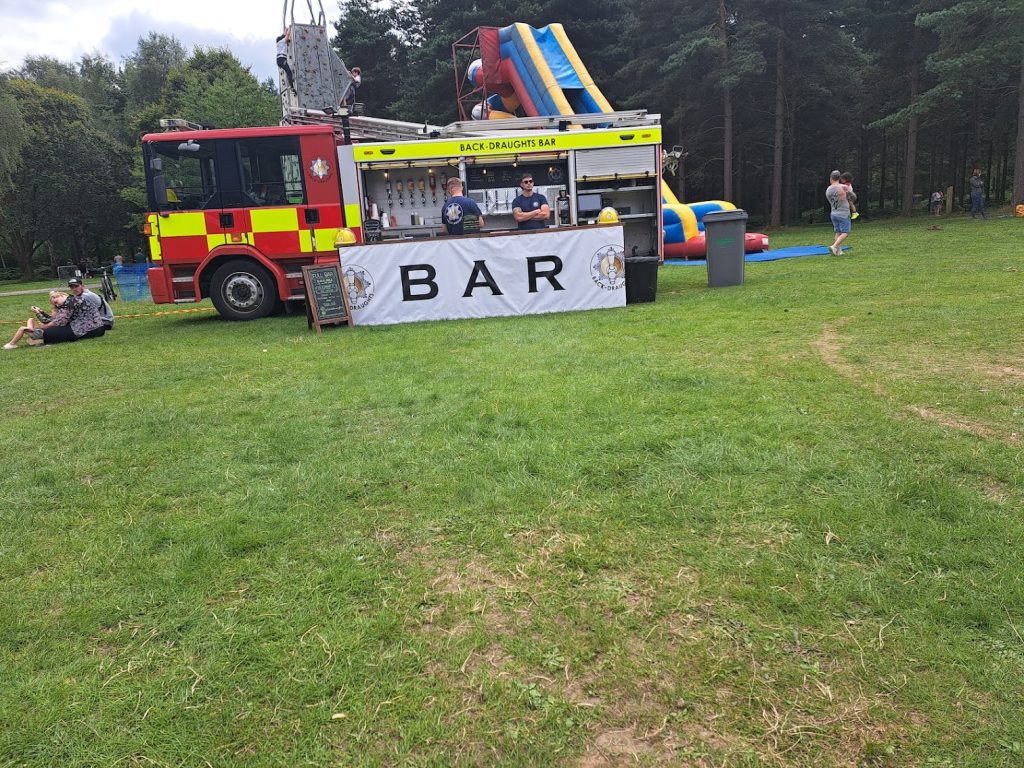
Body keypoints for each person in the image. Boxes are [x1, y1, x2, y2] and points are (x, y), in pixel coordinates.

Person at [3, 291, 70, 350]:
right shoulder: (60, 309)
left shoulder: (60, 311)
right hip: (49, 329)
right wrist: (41, 312)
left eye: (55, 301)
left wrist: (37, 313)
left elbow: (46, 321)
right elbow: (51, 319)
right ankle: (31, 330)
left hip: (48, 331)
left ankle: (12, 344)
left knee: (22, 329)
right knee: (31, 319)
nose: (55, 304)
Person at [825, 170, 851, 256]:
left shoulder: (828, 189)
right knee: (845, 232)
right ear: (839, 178)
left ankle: (838, 251)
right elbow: (852, 196)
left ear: (831, 178)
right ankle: (834, 246)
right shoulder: (844, 187)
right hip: (843, 212)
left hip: (834, 212)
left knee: (838, 232)